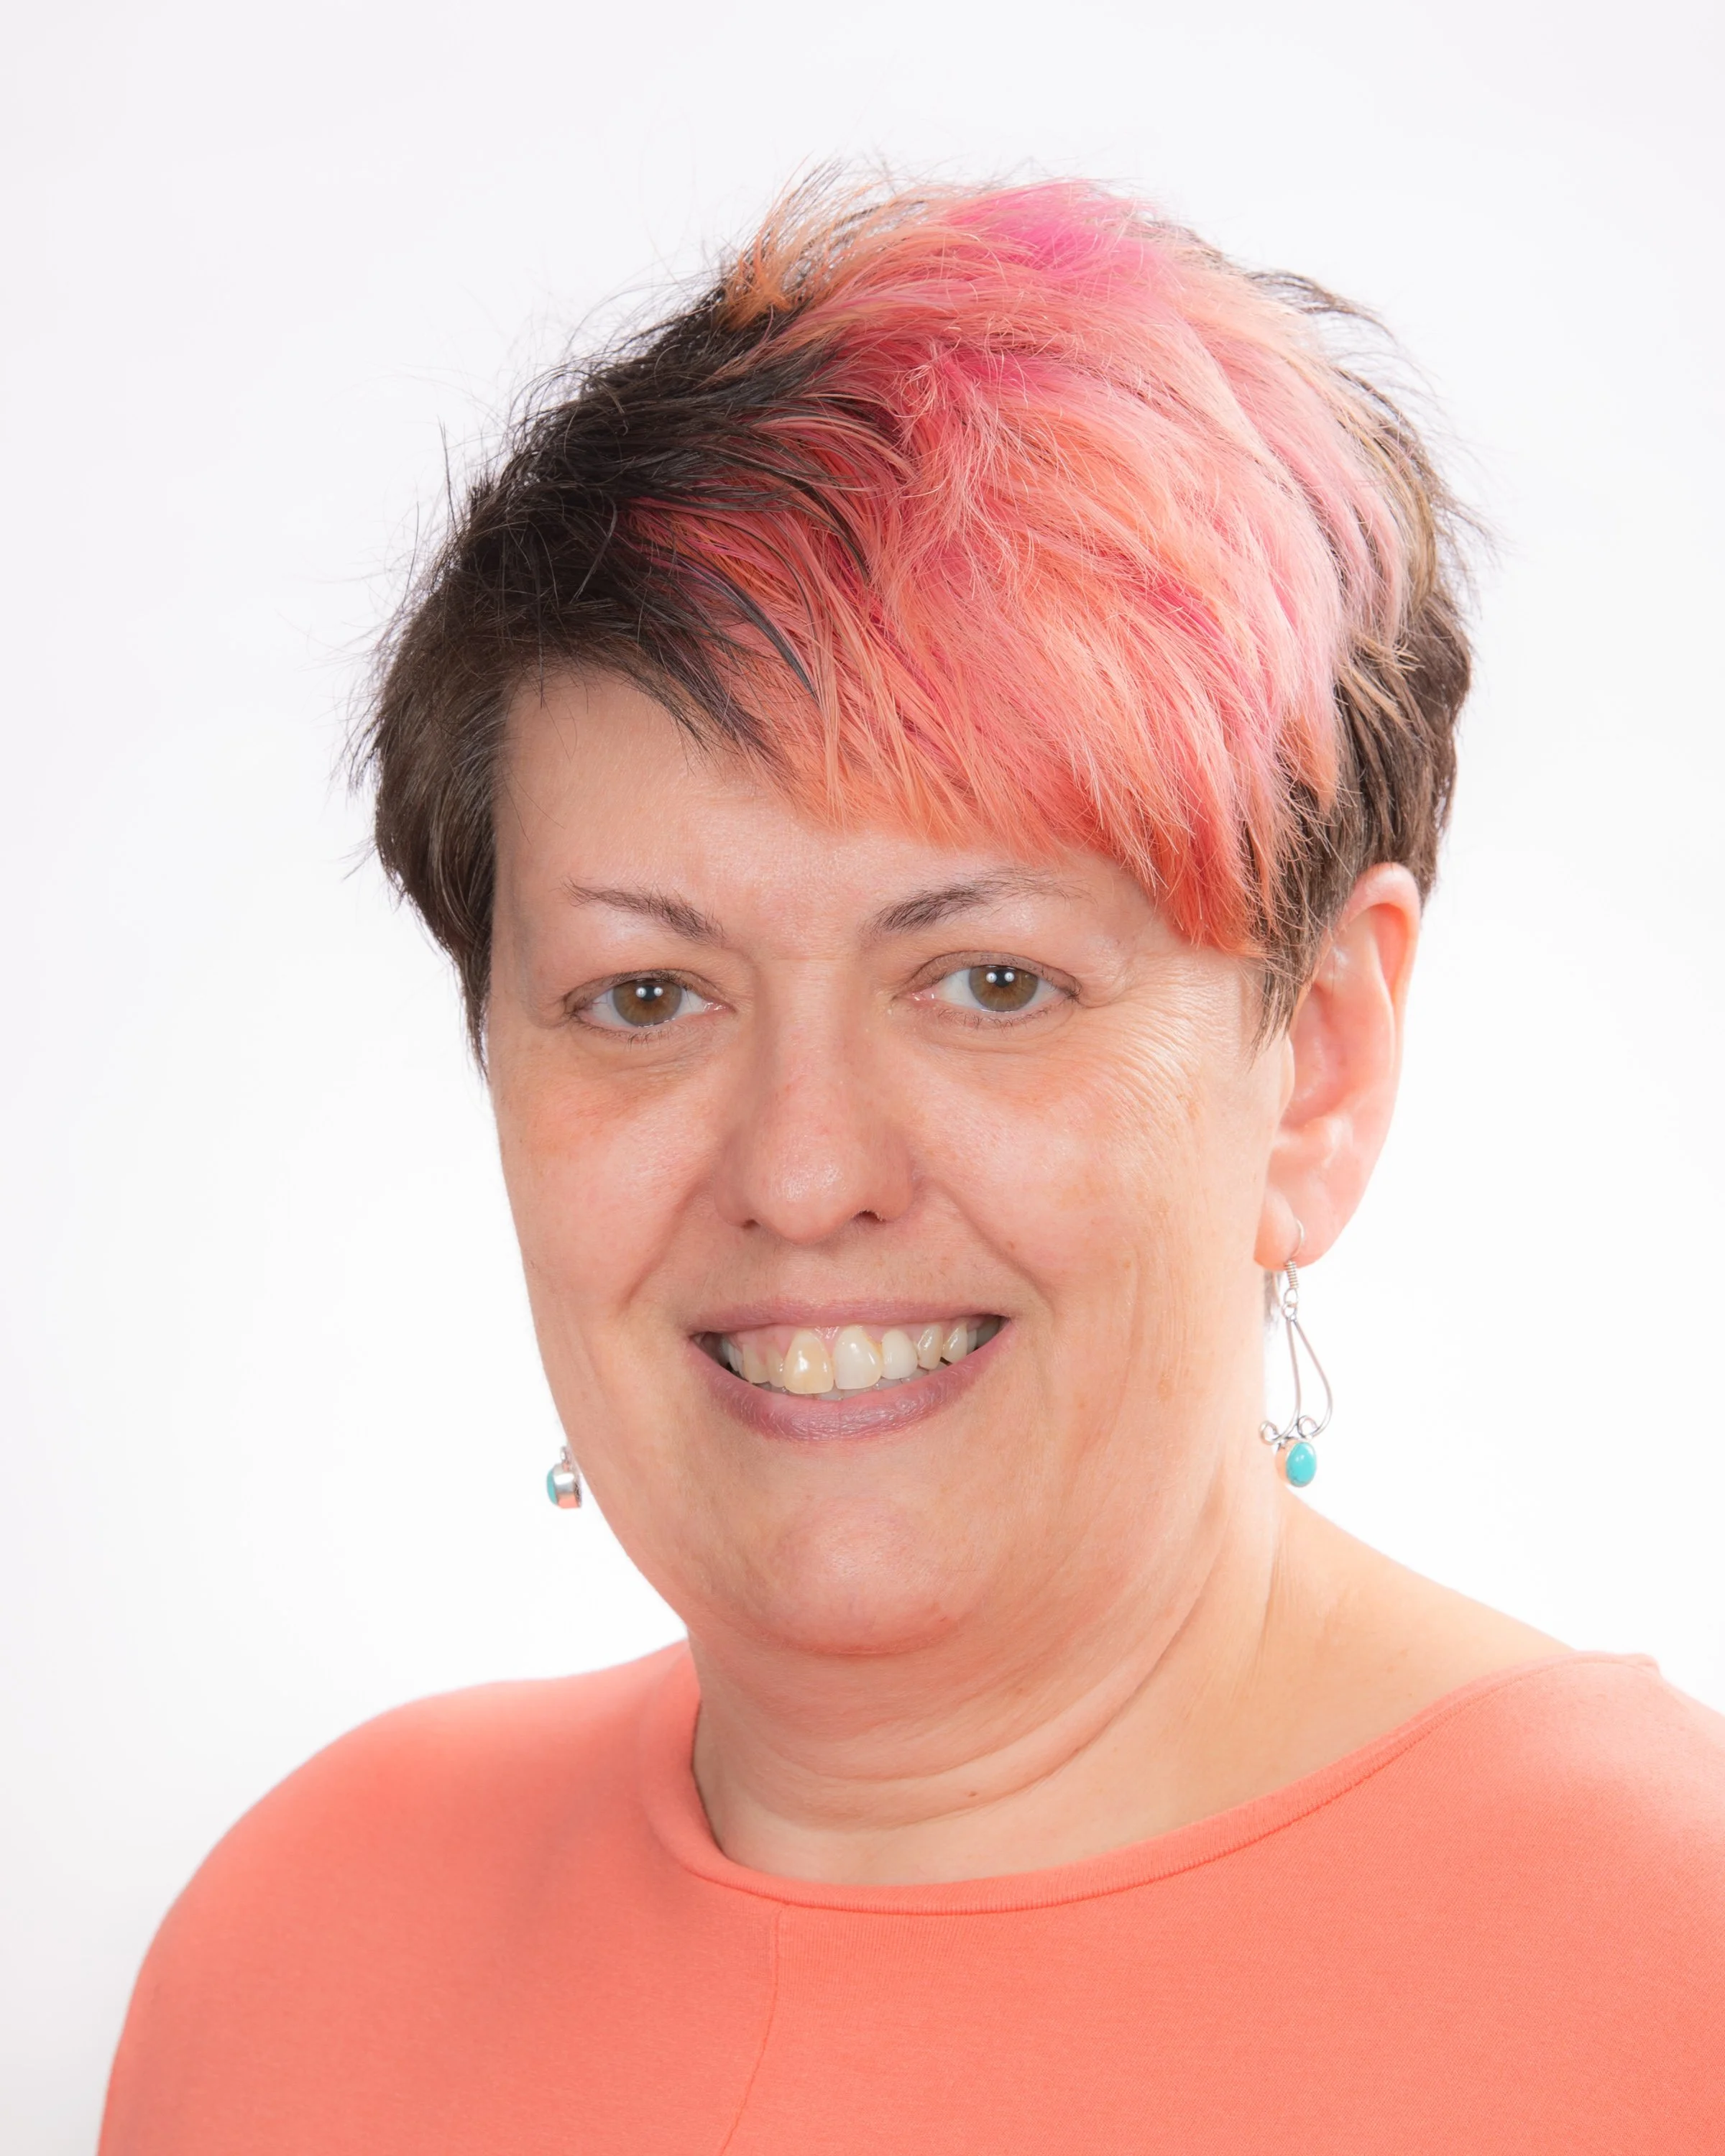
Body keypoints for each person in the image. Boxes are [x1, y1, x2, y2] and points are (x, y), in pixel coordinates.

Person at [99, 178, 1725, 2153]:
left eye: (990, 981)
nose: (801, 1174)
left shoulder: (1679, 1979)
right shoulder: (303, 1940)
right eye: (644, 995)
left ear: (1317, 1062)